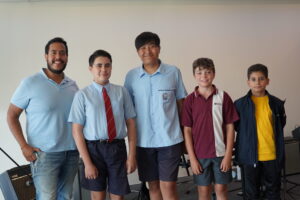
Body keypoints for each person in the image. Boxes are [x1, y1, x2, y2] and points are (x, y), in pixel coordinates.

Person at [7, 37, 79, 200]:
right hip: (45, 155)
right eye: (53, 53)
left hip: (72, 153)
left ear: (67, 57)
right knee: (46, 197)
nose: (58, 57)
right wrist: (23, 145)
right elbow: (11, 115)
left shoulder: (73, 86)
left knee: (67, 196)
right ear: (46, 56)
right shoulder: (30, 83)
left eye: (62, 53)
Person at [124, 31, 187, 200]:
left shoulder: (173, 72)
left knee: (169, 186)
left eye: (152, 46)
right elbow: (128, 112)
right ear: (138, 52)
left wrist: (187, 135)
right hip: (144, 142)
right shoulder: (131, 77)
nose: (147, 51)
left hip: (170, 139)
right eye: (143, 48)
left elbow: (182, 105)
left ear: (158, 49)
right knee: (152, 186)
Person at [68, 49, 136, 200]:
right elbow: (76, 131)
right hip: (93, 150)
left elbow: (131, 124)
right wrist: (87, 163)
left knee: (118, 196)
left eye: (107, 65)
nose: (103, 69)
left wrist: (132, 156)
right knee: (98, 196)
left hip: (117, 148)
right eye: (99, 65)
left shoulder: (121, 92)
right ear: (91, 68)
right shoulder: (82, 95)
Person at [181, 58, 239, 200]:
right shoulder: (189, 100)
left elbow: (230, 127)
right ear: (194, 75)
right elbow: (187, 131)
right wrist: (192, 159)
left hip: (221, 154)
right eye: (199, 73)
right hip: (200, 155)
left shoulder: (223, 97)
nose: (204, 76)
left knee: (221, 189)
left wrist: (227, 155)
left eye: (207, 72)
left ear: (213, 74)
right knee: (203, 191)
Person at [234, 64, 286, 200]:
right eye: (253, 79)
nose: (257, 82)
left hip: (272, 155)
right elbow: (237, 127)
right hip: (249, 157)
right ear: (248, 82)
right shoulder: (239, 105)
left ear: (267, 81)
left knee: (273, 191)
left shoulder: (276, 103)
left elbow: (280, 125)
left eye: (261, 78)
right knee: (251, 193)